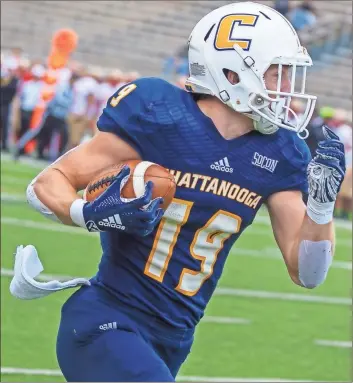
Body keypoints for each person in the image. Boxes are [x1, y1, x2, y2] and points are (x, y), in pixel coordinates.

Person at [17, 2, 345, 382]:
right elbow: (45, 185)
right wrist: (86, 213)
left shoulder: (280, 151)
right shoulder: (160, 113)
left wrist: (320, 208)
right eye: (277, 73)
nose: (288, 88)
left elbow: (308, 273)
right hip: (106, 321)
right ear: (233, 72)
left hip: (173, 339)